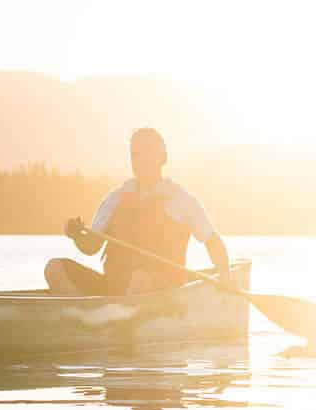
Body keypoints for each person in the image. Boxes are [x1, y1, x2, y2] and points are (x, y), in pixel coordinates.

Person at [45, 127, 229, 296]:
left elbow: (212, 241)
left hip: (163, 288)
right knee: (54, 268)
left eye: (148, 151)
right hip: (115, 288)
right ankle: (87, 318)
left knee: (140, 279)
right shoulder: (116, 199)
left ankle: (111, 320)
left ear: (163, 158)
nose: (141, 159)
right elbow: (91, 247)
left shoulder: (182, 200)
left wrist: (225, 276)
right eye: (135, 154)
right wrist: (76, 235)